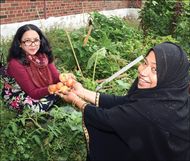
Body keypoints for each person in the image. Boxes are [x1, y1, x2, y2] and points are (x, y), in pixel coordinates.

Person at [58, 42, 190, 160]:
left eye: (155, 69)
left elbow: (106, 119)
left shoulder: (151, 112)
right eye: (145, 63)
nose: (143, 72)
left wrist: (75, 100)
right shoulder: (175, 97)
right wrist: (82, 92)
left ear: (170, 77)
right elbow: (126, 102)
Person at [1, 24, 61, 113]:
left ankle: (53, 97)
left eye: (36, 40)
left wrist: (65, 79)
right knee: (36, 107)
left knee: (63, 88)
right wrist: (51, 89)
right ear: (20, 43)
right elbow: (33, 93)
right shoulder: (15, 63)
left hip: (36, 90)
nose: (33, 45)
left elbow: (56, 78)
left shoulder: (43, 55)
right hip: (19, 93)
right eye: (27, 41)